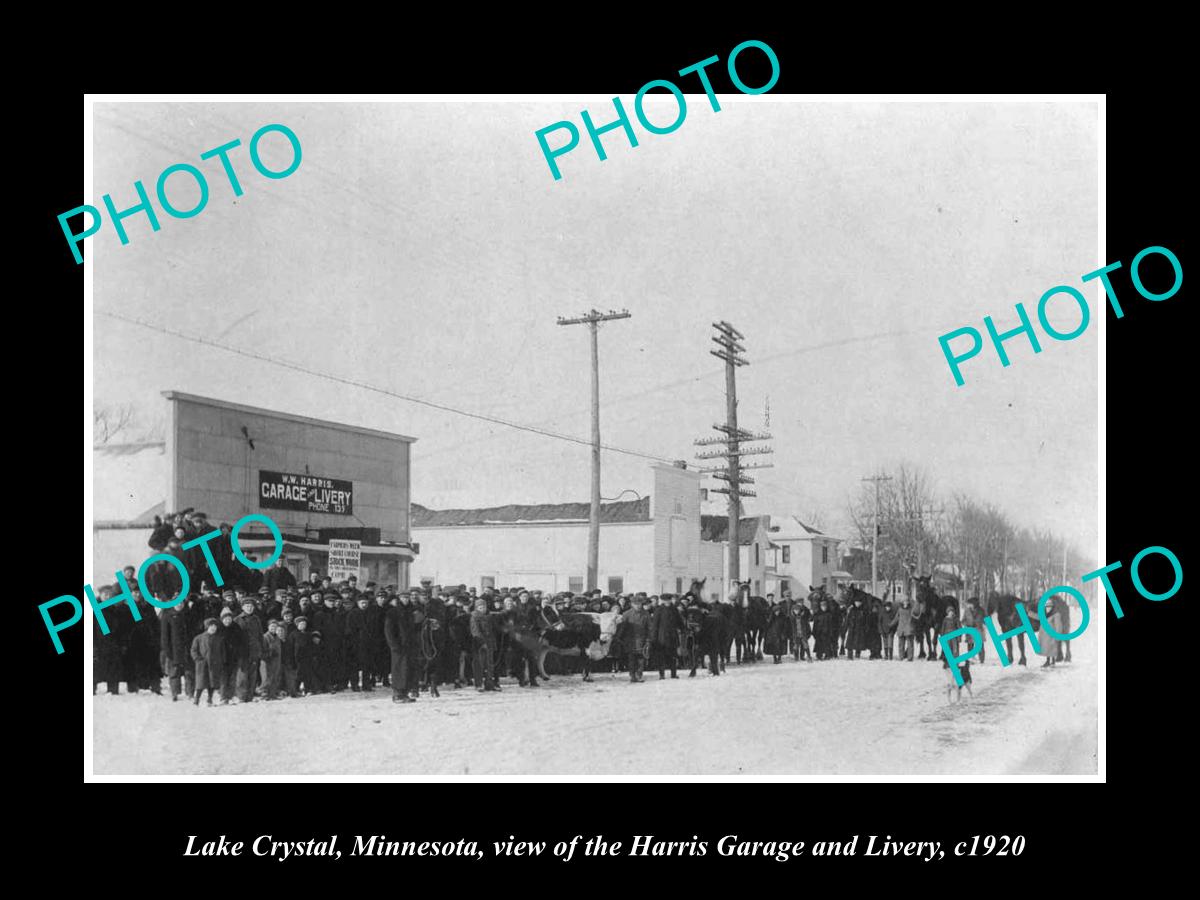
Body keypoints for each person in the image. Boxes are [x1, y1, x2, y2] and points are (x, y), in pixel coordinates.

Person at [160, 596, 196, 701]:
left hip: (187, 649)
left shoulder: (188, 615)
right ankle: (175, 693)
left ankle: (190, 693)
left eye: (181, 603)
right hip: (174, 650)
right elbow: (165, 636)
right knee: (174, 673)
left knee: (189, 673)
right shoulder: (167, 616)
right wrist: (167, 651)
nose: (179, 605)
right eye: (177, 603)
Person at [385, 592, 417, 702]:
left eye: (407, 597)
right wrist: (393, 645)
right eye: (403, 597)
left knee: (408, 670)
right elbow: (389, 631)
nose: (406, 600)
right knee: (399, 670)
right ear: (399, 598)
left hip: (410, 646)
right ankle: (397, 694)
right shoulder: (392, 612)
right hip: (398, 646)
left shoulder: (411, 612)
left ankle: (405, 693)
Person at [234, 598, 263, 702]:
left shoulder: (256, 619)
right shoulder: (237, 619)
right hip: (242, 651)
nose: (249, 608)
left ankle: (250, 696)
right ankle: (242, 696)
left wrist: (260, 649)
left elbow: (260, 635)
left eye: (251, 606)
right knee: (242, 674)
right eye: (247, 606)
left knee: (253, 674)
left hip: (254, 650)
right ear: (242, 607)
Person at [649, 593, 683, 679]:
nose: (667, 602)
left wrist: (683, 629)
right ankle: (662, 674)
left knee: (673, 656)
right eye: (665, 600)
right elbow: (655, 625)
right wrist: (654, 638)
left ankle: (673, 674)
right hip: (662, 637)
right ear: (662, 601)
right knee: (661, 656)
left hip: (673, 636)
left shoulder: (674, 609)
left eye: (669, 600)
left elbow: (679, 621)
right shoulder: (659, 610)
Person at [469, 597, 499, 692]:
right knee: (480, 664)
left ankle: (489, 683)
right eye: (480, 607)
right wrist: (482, 643)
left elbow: (492, 631)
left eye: (484, 607)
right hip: (480, 644)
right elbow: (475, 632)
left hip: (489, 643)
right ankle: (478, 684)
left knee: (490, 664)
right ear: (477, 608)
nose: (483, 609)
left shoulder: (489, 617)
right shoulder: (474, 617)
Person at [190, 618, 221, 707]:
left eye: (215, 626)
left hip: (214, 664)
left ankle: (209, 699)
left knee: (212, 683)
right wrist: (197, 659)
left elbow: (222, 651)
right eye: (211, 626)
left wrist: (221, 660)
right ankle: (196, 699)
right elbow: (193, 650)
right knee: (200, 683)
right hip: (202, 664)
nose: (213, 628)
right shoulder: (199, 638)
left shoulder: (219, 638)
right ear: (207, 627)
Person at [622, 595, 650, 682]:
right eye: (636, 604)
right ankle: (632, 675)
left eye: (640, 604)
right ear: (632, 604)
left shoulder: (646, 614)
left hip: (642, 640)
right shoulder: (626, 614)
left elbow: (650, 628)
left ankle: (639, 675)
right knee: (631, 659)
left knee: (641, 659)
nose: (638, 606)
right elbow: (622, 628)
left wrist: (648, 640)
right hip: (630, 640)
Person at [262, 620, 283, 700]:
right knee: (267, 678)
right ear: (268, 627)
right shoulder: (265, 637)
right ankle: (265, 694)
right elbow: (262, 651)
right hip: (268, 661)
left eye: (275, 626)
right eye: (272, 626)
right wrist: (269, 654)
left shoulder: (277, 637)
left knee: (275, 677)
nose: (273, 628)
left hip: (276, 661)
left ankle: (272, 694)